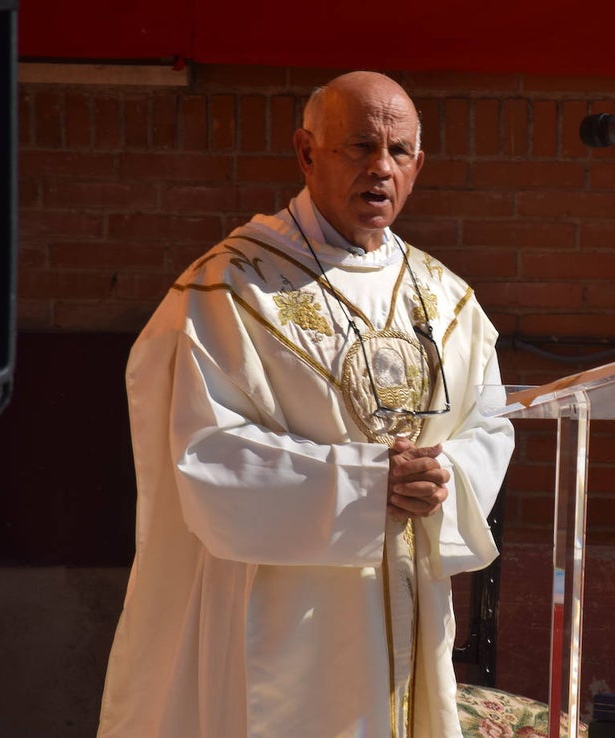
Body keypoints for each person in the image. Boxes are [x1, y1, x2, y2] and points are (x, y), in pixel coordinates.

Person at [97, 71, 515, 738]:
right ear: (306, 152)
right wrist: (368, 483)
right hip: (280, 618)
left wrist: (445, 476)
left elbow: (488, 423)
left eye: (399, 152)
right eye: (359, 146)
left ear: (418, 165)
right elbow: (204, 455)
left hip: (408, 602)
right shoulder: (228, 289)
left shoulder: (447, 299)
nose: (381, 168)